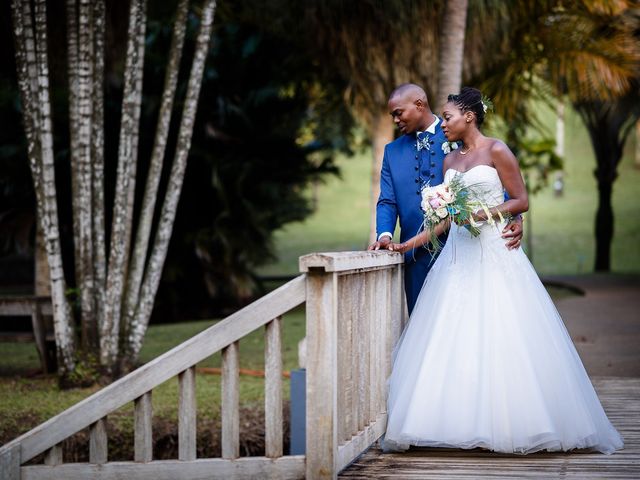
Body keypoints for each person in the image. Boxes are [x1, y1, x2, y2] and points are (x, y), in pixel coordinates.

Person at [382, 87, 623, 454]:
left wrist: (491, 215)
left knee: (504, 330)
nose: (444, 122)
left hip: (495, 251)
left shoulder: (496, 149)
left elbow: (520, 199)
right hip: (458, 259)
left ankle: (515, 423)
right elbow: (443, 221)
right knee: (453, 336)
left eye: (448, 117)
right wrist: (403, 243)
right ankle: (454, 422)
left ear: (469, 116)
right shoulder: (448, 163)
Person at [367, 83, 522, 314]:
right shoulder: (392, 151)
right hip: (416, 256)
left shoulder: (456, 128)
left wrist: (516, 217)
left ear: (419, 105)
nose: (395, 120)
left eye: (399, 113)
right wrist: (385, 236)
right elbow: (387, 200)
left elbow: (494, 178)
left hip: (467, 248)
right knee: (426, 329)